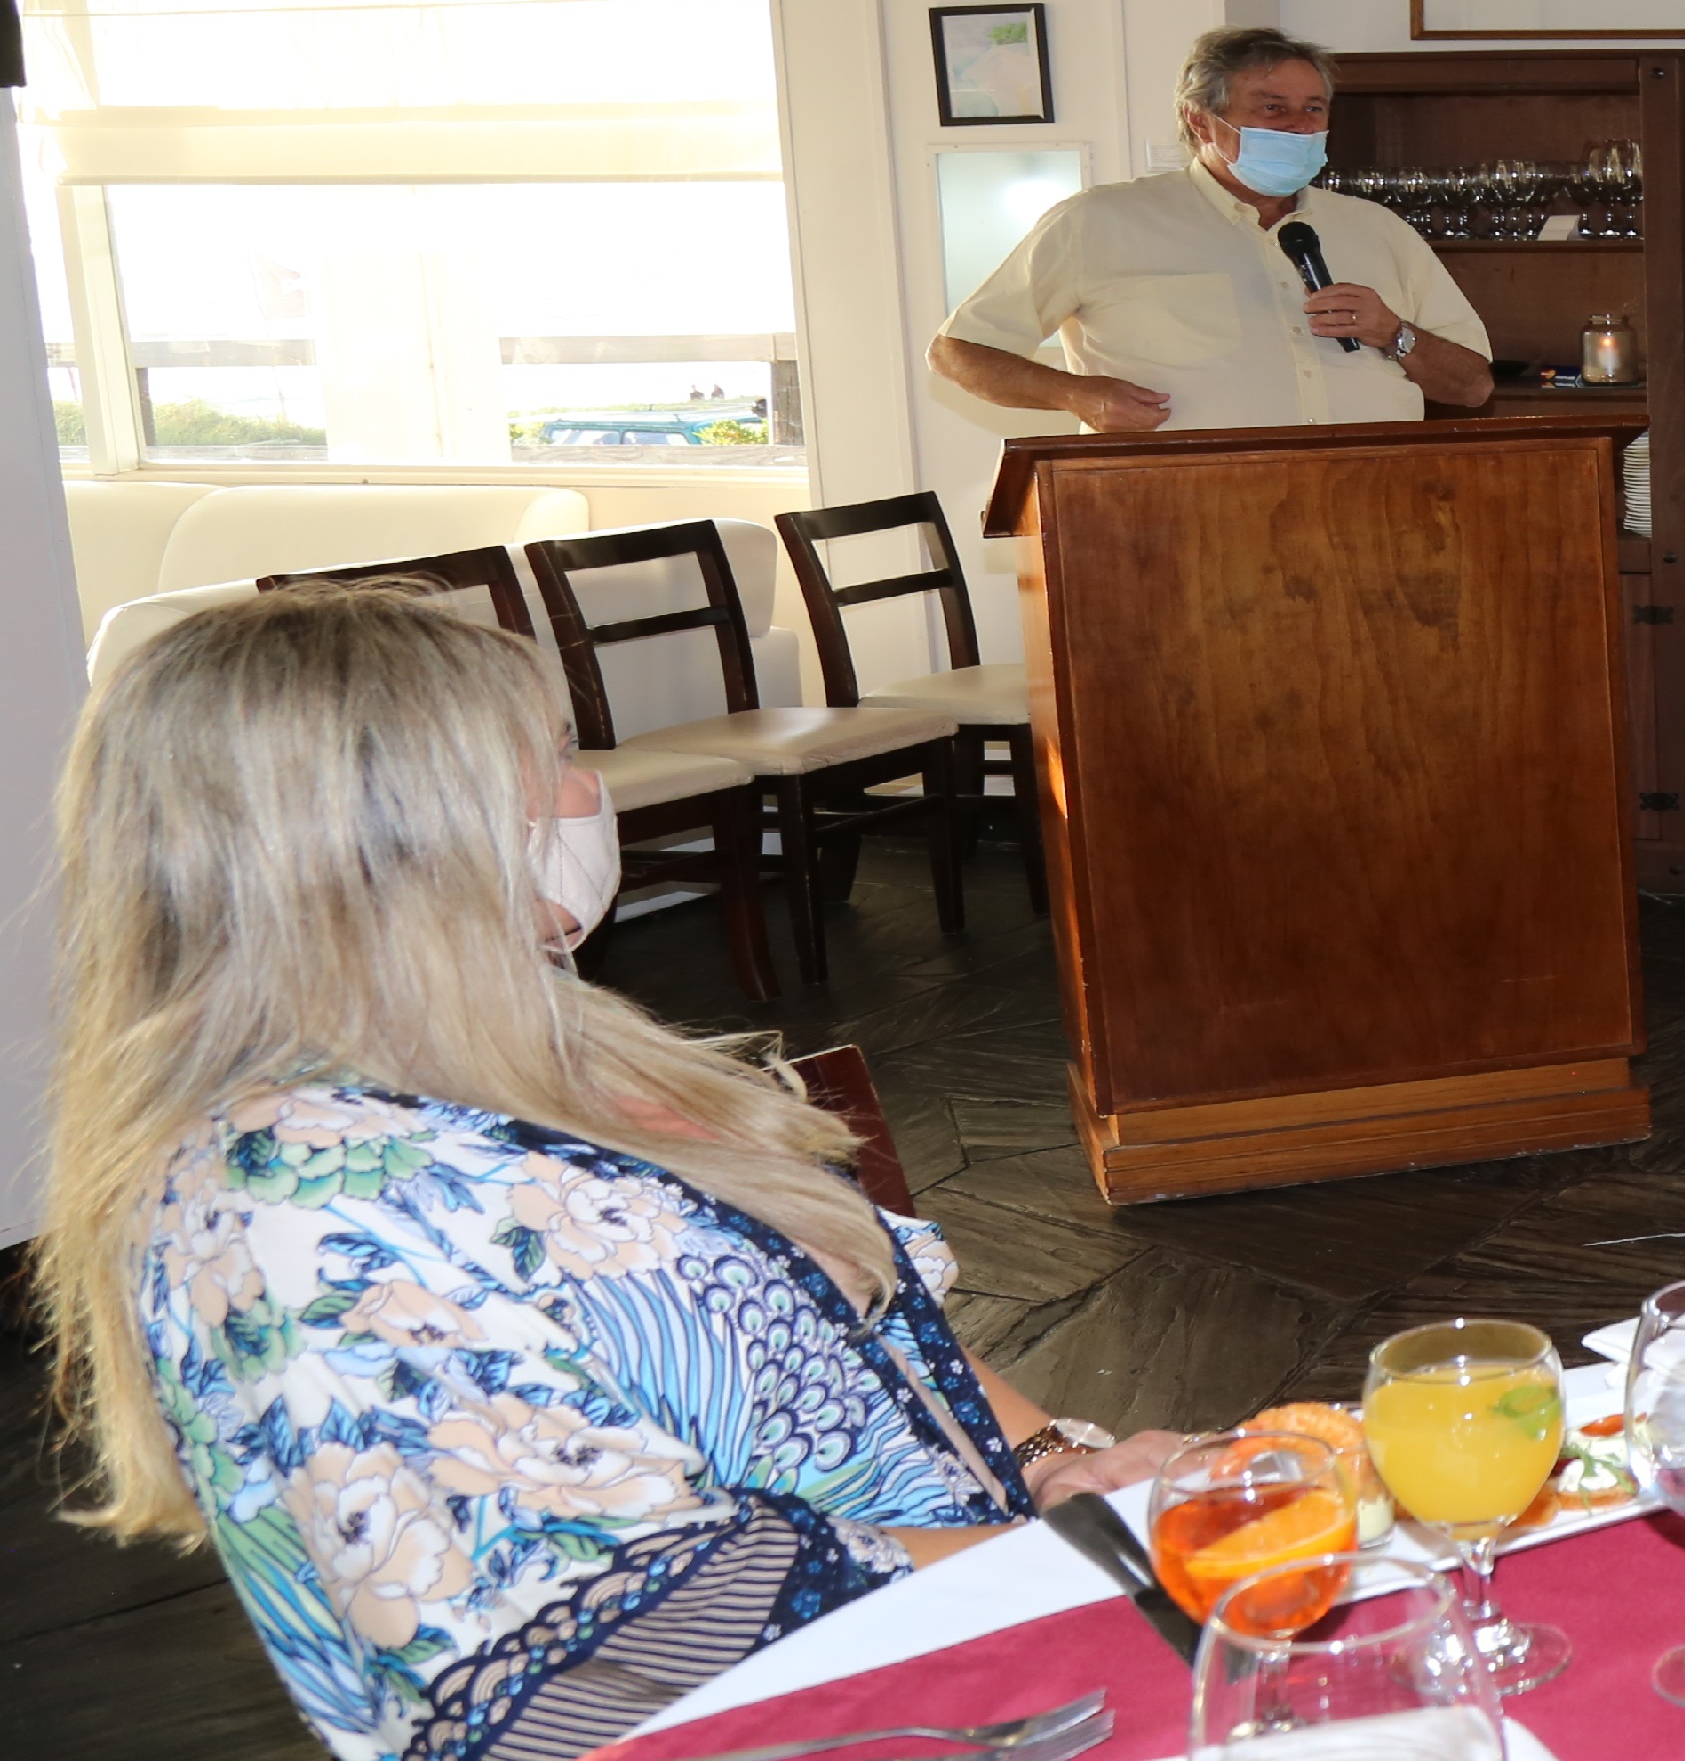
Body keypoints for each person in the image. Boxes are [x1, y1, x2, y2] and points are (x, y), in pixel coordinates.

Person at [31, 586, 1188, 1759]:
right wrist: (1099, 1553)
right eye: (551, 758)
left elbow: (868, 1323)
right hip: (826, 1710)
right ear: (392, 828)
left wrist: (1057, 1464)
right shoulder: (286, 1205)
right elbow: (605, 1633)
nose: (591, 793)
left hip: (990, 1632)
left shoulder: (559, 1042)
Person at [932, 25, 1495, 431]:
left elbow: (1473, 387)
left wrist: (1394, 333)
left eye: (1314, 108)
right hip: (1183, 514)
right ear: (1200, 120)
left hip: (1372, 506)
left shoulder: (1377, 228)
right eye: (1272, 109)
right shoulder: (1098, 222)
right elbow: (959, 352)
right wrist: (1075, 394)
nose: (1300, 127)